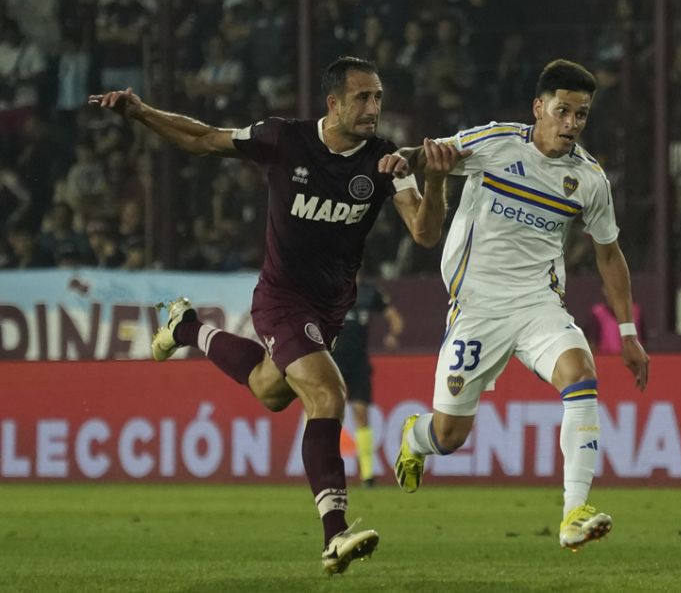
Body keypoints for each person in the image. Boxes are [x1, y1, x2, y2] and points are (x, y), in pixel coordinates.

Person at [88, 56, 469, 574]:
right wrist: (140, 112)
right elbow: (204, 138)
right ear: (333, 103)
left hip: (331, 307)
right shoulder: (283, 139)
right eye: (362, 97)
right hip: (281, 297)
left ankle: (186, 327)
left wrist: (437, 181)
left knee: (270, 391)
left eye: (378, 97)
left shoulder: (384, 160)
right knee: (328, 394)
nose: (373, 107)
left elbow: (424, 233)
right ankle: (335, 535)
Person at [382, 59, 650, 552]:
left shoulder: (589, 179)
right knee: (449, 436)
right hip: (477, 308)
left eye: (581, 115)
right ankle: (416, 437)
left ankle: (574, 513)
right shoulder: (496, 142)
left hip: (537, 303)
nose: (572, 123)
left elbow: (609, 254)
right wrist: (398, 160)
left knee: (581, 373)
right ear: (538, 108)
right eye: (563, 111)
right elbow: (428, 155)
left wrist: (628, 332)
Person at [331, 272, 405, 487]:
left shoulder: (370, 293)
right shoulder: (329, 290)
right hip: (332, 362)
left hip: (358, 363)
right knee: (330, 415)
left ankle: (367, 475)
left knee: (361, 415)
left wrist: (394, 335)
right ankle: (327, 470)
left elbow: (396, 319)